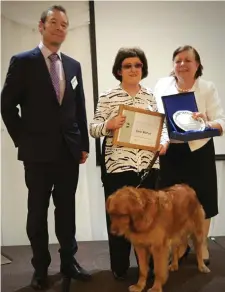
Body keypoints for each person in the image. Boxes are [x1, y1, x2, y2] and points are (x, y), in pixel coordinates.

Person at [1, 5, 91, 290]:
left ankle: (69, 262)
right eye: (54, 22)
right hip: (37, 154)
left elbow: (79, 109)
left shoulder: (73, 65)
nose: (60, 28)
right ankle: (40, 267)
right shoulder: (22, 61)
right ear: (41, 26)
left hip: (68, 151)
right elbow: (5, 105)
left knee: (66, 211)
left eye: (64, 24)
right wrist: (22, 140)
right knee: (37, 212)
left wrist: (84, 145)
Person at [89, 47, 169, 280]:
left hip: (147, 166)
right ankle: (120, 266)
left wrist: (164, 143)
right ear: (119, 70)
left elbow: (161, 128)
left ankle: (150, 267)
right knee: (119, 217)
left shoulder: (150, 96)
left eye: (138, 65)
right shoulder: (107, 96)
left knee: (150, 219)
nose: (133, 69)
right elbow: (93, 129)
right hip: (118, 167)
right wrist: (110, 125)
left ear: (142, 69)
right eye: (128, 65)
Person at [154, 45, 225, 265]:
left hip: (199, 151)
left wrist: (206, 121)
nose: (182, 64)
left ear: (197, 65)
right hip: (170, 152)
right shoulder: (161, 85)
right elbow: (155, 117)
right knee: (169, 203)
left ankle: (201, 245)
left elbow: (221, 122)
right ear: (173, 65)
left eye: (187, 60)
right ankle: (180, 245)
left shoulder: (207, 88)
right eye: (178, 60)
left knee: (204, 201)